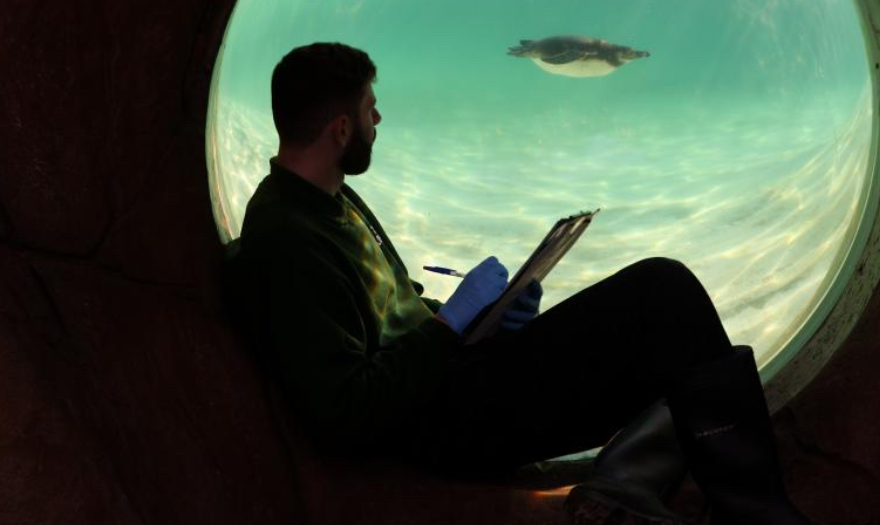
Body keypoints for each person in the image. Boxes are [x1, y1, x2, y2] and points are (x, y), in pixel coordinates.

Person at [225, 42, 815, 525]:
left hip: (456, 378)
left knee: (668, 333)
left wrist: (489, 318)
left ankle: (630, 489)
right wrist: (451, 322)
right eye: (370, 108)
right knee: (664, 294)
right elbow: (344, 413)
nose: (378, 120)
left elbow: (392, 312)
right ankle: (752, 514)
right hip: (440, 424)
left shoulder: (328, 197)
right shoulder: (289, 237)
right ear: (340, 128)